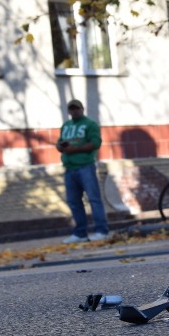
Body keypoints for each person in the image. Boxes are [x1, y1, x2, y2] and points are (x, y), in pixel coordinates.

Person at [56, 99, 110, 242]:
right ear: (69, 111)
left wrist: (75, 149)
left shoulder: (90, 124)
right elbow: (59, 142)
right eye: (72, 109)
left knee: (94, 199)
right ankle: (80, 233)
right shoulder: (66, 125)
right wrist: (61, 146)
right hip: (69, 168)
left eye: (77, 108)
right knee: (73, 201)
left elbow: (96, 143)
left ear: (82, 109)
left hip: (85, 166)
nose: (74, 111)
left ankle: (101, 230)